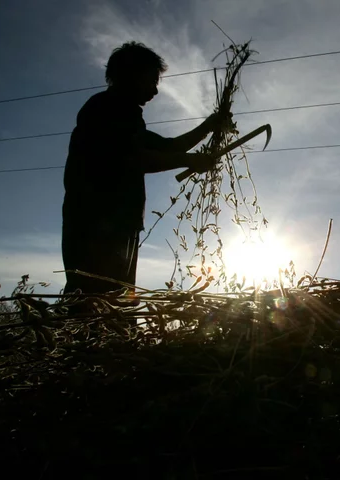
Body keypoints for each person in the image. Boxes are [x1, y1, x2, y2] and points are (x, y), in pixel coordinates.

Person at [61, 41, 227, 304]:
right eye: (151, 80)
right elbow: (129, 159)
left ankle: (109, 341)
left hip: (120, 222)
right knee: (93, 296)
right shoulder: (103, 109)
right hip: (96, 221)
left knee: (117, 297)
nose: (156, 90)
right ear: (130, 75)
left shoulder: (127, 117)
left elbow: (169, 146)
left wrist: (209, 125)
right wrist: (189, 161)